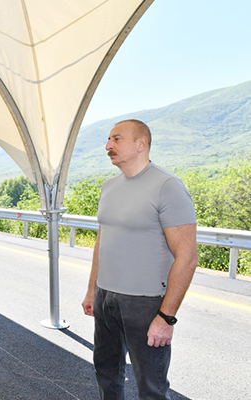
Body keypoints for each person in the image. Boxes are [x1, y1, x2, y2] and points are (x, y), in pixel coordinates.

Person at [81, 119, 198, 399]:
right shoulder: (109, 187)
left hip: (145, 303)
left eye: (117, 139)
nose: (108, 146)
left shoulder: (167, 186)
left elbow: (187, 257)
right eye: (108, 139)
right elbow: (102, 243)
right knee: (105, 372)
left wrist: (166, 318)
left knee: (151, 386)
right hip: (105, 297)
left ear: (141, 143)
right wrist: (92, 291)